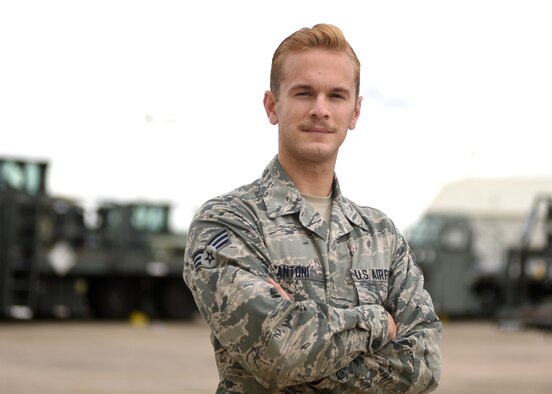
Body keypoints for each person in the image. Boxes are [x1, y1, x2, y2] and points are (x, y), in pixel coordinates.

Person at [183, 23, 441, 393]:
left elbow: (425, 365)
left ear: (355, 112)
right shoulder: (228, 224)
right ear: (273, 106)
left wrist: (309, 345)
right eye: (304, 93)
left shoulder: (380, 235)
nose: (320, 110)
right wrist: (378, 323)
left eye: (336, 96)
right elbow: (281, 352)